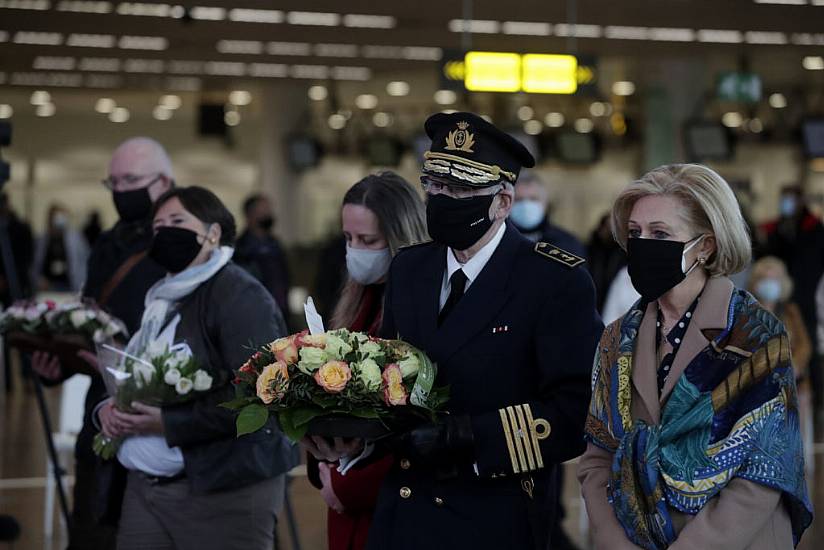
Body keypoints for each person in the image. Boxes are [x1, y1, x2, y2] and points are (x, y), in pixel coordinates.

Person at [343, 112, 602, 549]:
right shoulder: (411, 267)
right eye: (436, 185)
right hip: (405, 510)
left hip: (494, 513)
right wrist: (350, 432)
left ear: (502, 202)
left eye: (461, 188)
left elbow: (575, 412)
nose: (443, 198)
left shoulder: (552, 280)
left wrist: (465, 437)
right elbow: (388, 379)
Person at [578, 164, 812, 550]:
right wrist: (616, 543)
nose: (642, 245)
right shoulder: (617, 338)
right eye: (635, 233)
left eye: (660, 233)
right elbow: (598, 458)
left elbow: (764, 470)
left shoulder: (756, 336)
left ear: (705, 246)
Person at [100, 186, 296, 550]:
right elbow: (144, 371)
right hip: (147, 485)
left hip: (221, 489)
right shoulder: (164, 295)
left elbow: (259, 393)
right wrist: (114, 405)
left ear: (213, 233)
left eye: (177, 221)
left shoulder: (240, 295)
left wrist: (167, 422)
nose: (165, 232)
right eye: (157, 227)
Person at [31, 137, 173, 549]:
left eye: (130, 179)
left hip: (161, 428)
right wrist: (59, 365)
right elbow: (93, 325)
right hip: (101, 426)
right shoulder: (107, 244)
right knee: (93, 533)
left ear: (164, 181)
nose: (121, 191)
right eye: (113, 182)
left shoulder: (182, 246)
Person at [307, 172, 429, 550]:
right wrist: (323, 455)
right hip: (347, 506)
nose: (355, 250)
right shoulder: (356, 301)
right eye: (348, 238)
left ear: (400, 238)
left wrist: (346, 484)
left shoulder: (421, 307)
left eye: (368, 240)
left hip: (392, 506)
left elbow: (423, 422)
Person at [760, 184, 824, 410]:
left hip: (805, 298)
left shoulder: (814, 229)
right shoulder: (779, 228)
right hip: (781, 295)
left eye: (789, 199)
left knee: (808, 347)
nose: (785, 203)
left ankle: (816, 402)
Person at [750, 256, 814, 474]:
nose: (770, 284)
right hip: (760, 388)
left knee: (795, 441)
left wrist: (794, 366)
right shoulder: (748, 311)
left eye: (774, 278)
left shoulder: (790, 311)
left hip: (794, 385)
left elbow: (805, 344)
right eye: (765, 278)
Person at [234, 193, 291, 317]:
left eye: (269, 210)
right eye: (263, 210)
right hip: (254, 313)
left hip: (280, 311)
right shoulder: (240, 249)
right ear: (250, 215)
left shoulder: (275, 244)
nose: (268, 214)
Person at [509, 169, 586, 257]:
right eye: (518, 199)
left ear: (545, 203)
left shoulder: (567, 243)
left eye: (533, 199)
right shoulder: (497, 241)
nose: (526, 205)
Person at [33, 204, 89, 292]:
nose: (60, 221)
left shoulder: (76, 238)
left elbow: (85, 261)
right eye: (57, 217)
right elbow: (35, 265)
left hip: (71, 285)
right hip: (48, 287)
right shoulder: (42, 240)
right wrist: (38, 280)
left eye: (62, 217)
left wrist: (82, 283)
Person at [587, 212, 628, 313]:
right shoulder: (591, 250)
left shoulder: (623, 252)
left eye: (613, 228)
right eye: (607, 227)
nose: (609, 231)